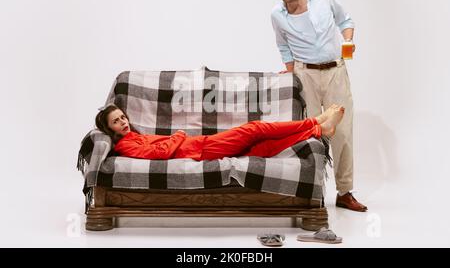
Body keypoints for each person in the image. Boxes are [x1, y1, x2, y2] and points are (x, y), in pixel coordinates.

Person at [270, 0, 367, 212]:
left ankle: (344, 193)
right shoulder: (277, 15)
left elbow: (345, 20)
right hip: (305, 75)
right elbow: (283, 46)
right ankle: (314, 194)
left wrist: (349, 41)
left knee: (342, 132)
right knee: (313, 134)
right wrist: (291, 75)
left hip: (335, 70)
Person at [94, 104, 344, 162]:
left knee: (262, 148)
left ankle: (319, 129)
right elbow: (160, 153)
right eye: (116, 122)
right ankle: (313, 121)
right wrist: (178, 135)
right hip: (202, 149)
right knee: (255, 128)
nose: (123, 122)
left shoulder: (131, 136)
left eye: (123, 117)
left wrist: (178, 138)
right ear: (109, 129)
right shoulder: (124, 146)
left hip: (201, 145)